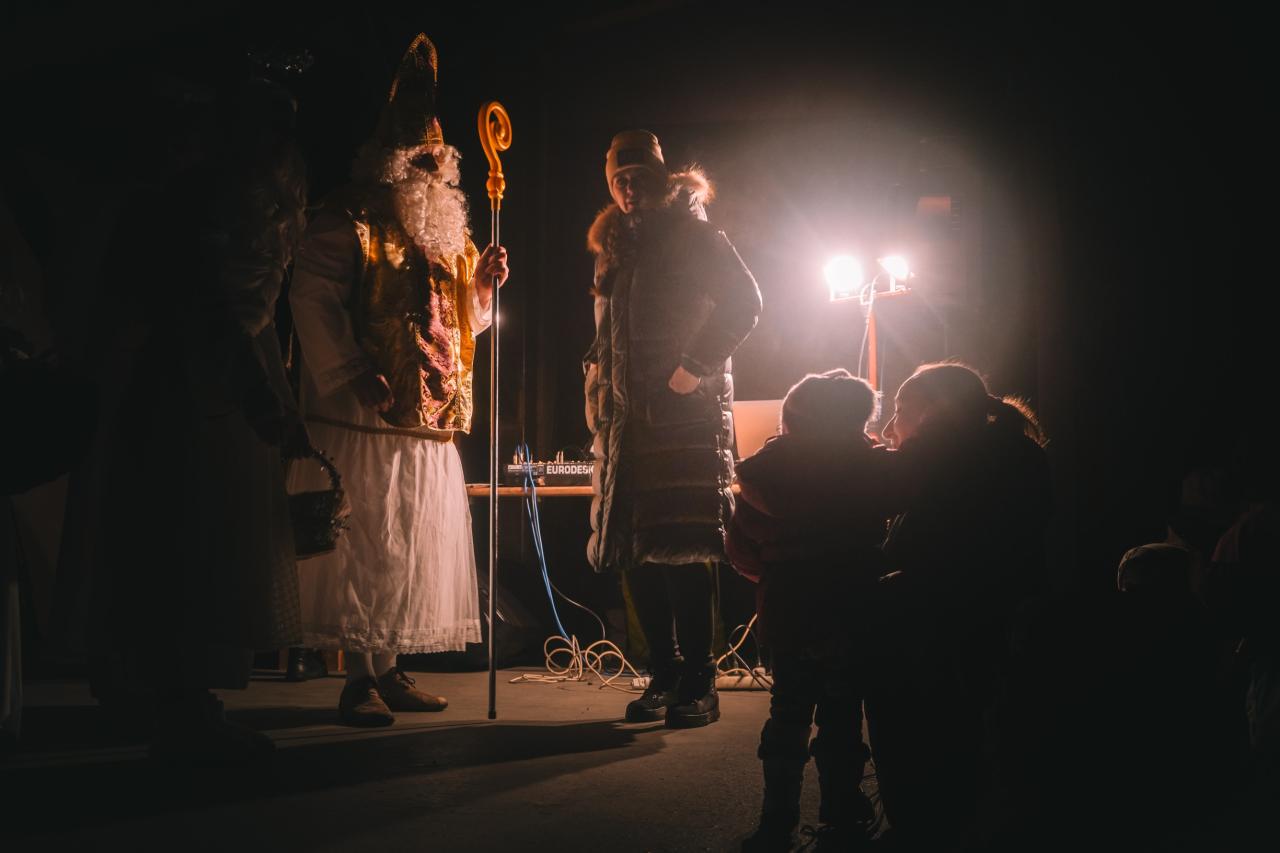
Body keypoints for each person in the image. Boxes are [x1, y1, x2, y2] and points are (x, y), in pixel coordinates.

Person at [286, 34, 508, 727]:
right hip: (365, 412)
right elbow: (311, 294)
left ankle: (389, 668)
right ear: (389, 156)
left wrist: (482, 287)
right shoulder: (349, 216)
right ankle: (358, 679)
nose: (429, 169)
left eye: (436, 159)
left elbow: (464, 324)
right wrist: (352, 370)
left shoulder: (451, 234)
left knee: (408, 543)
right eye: (418, 157)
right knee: (366, 543)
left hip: (428, 416)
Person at [94, 75, 310, 763]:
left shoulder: (253, 199)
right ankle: (177, 705)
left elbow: (251, 312)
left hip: (228, 369)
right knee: (188, 535)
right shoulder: (203, 199)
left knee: (213, 537)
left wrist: (275, 392)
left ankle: (179, 699)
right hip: (188, 380)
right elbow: (207, 306)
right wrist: (257, 393)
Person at [584, 129, 761, 728]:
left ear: (661, 178)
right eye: (620, 180)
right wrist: (597, 380)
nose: (630, 188)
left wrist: (692, 368)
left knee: (684, 549)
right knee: (636, 550)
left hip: (683, 418)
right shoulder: (616, 245)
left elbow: (745, 301)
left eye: (640, 177)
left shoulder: (695, 235)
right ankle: (662, 673)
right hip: (625, 421)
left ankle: (699, 680)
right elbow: (610, 331)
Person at [865, 362, 1052, 850]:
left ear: (933, 411)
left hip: (943, 614)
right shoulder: (1019, 450)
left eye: (901, 411)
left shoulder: (940, 452)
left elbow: (880, 504)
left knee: (922, 717)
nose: (890, 428)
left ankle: (920, 821)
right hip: (1011, 606)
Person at [727, 369, 892, 850]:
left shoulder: (764, 476)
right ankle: (842, 816)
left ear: (791, 419)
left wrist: (775, 573)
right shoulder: (875, 470)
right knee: (842, 715)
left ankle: (776, 821)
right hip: (851, 608)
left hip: (788, 610)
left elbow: (740, 552)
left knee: (787, 712)